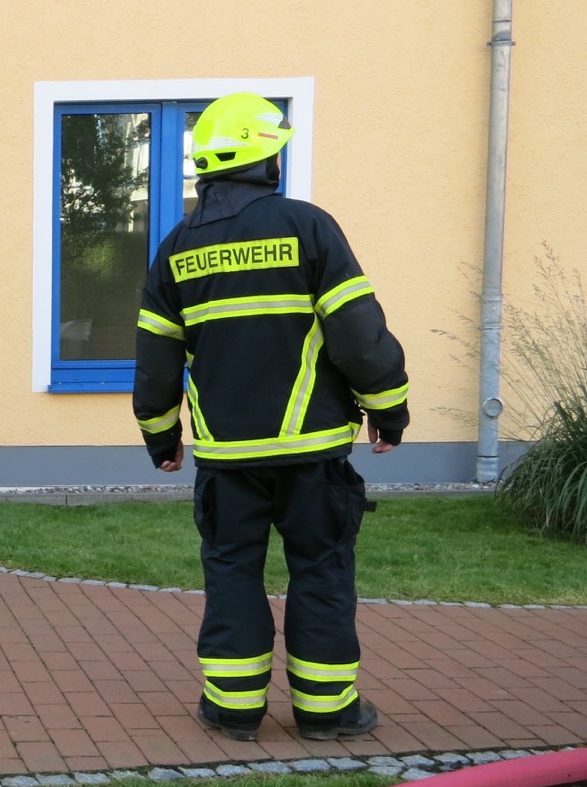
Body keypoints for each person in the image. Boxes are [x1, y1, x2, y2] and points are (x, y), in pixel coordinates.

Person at [132, 93, 409, 742]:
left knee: (231, 570)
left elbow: (154, 361)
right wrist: (387, 407)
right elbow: (358, 335)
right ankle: (325, 709)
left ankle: (231, 708)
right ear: (268, 157)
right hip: (312, 451)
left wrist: (160, 437)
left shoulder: (175, 249)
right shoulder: (308, 227)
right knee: (320, 569)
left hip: (228, 459)